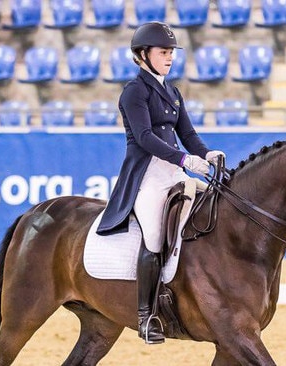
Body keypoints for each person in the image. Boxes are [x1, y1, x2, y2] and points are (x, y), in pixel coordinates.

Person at [96, 21, 225, 345]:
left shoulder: (172, 92)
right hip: (147, 176)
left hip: (175, 173)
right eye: (163, 52)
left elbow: (188, 135)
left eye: (171, 52)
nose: (169, 58)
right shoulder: (134, 91)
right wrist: (184, 160)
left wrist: (207, 154)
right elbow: (145, 137)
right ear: (143, 54)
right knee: (154, 236)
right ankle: (146, 315)